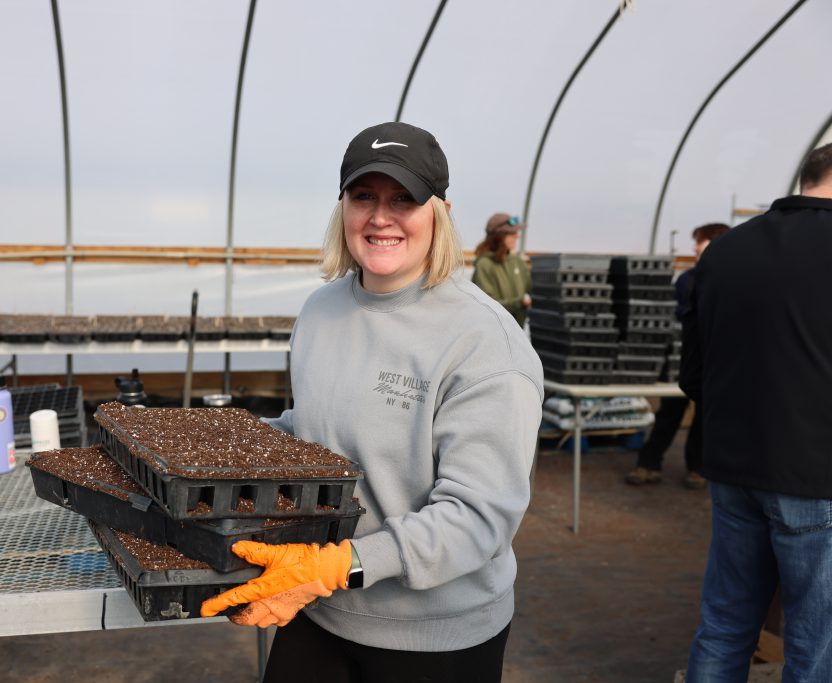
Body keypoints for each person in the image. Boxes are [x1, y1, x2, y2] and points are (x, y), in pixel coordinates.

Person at [199, 122, 544, 683]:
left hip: (432, 636)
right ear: (343, 209)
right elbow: (316, 431)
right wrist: (227, 443)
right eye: (364, 196)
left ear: (442, 212)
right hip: (318, 608)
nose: (381, 216)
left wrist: (341, 565)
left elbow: (480, 517)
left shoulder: (484, 343)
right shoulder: (322, 310)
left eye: (403, 198)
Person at [681, 142, 832, 681]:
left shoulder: (724, 251)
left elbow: (691, 374)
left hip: (733, 469)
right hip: (817, 478)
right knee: (816, 644)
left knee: (724, 626)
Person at [625, 222, 729, 490]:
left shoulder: (729, 279)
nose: (695, 247)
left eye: (700, 241)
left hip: (714, 360)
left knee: (704, 420)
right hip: (683, 358)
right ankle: (649, 463)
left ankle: (697, 468)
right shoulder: (688, 279)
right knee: (669, 413)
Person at [471, 213, 533, 327]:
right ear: (499, 236)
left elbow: (531, 290)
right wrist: (520, 302)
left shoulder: (519, 263)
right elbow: (488, 306)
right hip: (493, 335)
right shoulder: (484, 265)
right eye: (512, 233)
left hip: (518, 334)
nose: (517, 236)